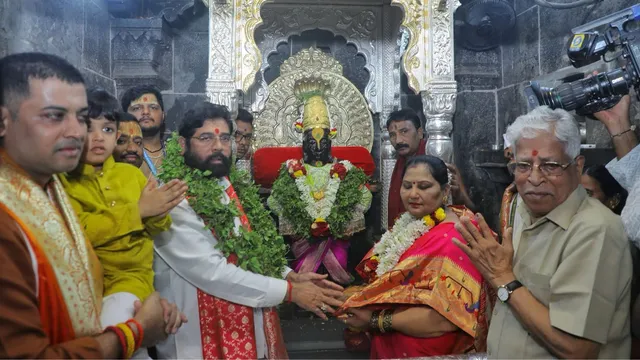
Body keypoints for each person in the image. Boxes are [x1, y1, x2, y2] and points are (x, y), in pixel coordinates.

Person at [0, 52, 182, 358]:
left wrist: (145, 308)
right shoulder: (8, 217)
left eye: (81, 118)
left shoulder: (49, 186)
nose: (76, 132)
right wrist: (135, 331)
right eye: (54, 116)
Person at [153, 102, 345, 359]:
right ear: (182, 145)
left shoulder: (226, 184)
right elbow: (213, 273)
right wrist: (290, 292)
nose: (218, 146)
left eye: (224, 138)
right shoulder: (172, 196)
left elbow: (249, 249)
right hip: (198, 339)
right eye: (206, 138)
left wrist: (288, 276)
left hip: (244, 327)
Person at [455, 106, 632, 358]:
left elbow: (576, 349)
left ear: (577, 166)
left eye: (550, 165)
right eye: (524, 165)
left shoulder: (595, 231)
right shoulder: (522, 210)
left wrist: (503, 279)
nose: (535, 178)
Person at [60, 88, 188, 358]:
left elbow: (157, 228)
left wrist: (158, 209)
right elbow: (79, 233)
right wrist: (138, 211)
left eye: (107, 130)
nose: (98, 138)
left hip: (129, 282)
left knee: (116, 335)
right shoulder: (63, 181)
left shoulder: (130, 175)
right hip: (84, 287)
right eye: (88, 128)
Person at [338, 155, 488, 358]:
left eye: (424, 186)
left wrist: (374, 320)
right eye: (407, 186)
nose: (413, 194)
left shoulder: (454, 239)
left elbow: (445, 319)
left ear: (444, 191)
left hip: (425, 350)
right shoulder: (411, 222)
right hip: (392, 341)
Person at [268, 78, 372, 285]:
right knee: (303, 268)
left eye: (322, 143)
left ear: (330, 144)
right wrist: (301, 220)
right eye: (311, 143)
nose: (317, 148)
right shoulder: (292, 170)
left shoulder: (344, 169)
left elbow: (364, 196)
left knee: (339, 261)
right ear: (304, 145)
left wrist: (338, 219)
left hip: (337, 238)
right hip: (303, 239)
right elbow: (274, 200)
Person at [386, 109, 473, 228]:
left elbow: (466, 208)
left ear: (420, 133)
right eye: (392, 135)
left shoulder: (436, 159)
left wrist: (460, 194)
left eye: (404, 131)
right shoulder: (401, 162)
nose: (398, 140)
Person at [121, 85, 167, 178]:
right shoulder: (119, 154)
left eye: (153, 107)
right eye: (137, 108)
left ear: (163, 115)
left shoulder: (179, 153)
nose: (145, 112)